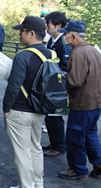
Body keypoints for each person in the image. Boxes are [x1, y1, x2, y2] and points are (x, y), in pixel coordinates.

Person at [4, 16, 51, 188]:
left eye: (22, 31)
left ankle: (27, 186)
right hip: (40, 109)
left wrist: (6, 108)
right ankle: (38, 184)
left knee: (22, 154)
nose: (19, 34)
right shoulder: (51, 54)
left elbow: (14, 85)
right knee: (35, 148)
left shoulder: (23, 56)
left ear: (31, 33)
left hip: (19, 110)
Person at [57, 20, 101, 180]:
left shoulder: (78, 53)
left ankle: (78, 169)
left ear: (73, 36)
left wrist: (62, 78)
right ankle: (98, 164)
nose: (64, 38)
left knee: (75, 137)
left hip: (82, 103)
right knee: (90, 133)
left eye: (66, 35)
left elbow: (74, 81)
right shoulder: (93, 50)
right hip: (96, 102)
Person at [42, 11, 72, 157]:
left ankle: (59, 146)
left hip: (58, 86)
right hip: (50, 84)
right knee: (49, 115)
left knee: (56, 116)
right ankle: (53, 143)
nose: (47, 27)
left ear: (58, 26)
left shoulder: (64, 43)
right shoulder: (51, 41)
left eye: (49, 25)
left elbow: (65, 66)